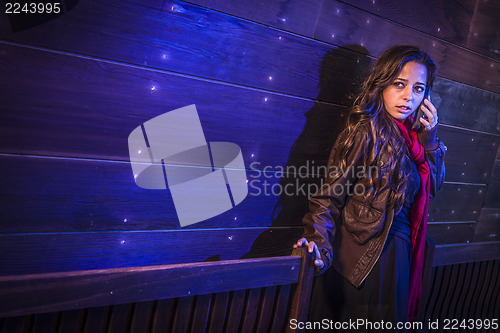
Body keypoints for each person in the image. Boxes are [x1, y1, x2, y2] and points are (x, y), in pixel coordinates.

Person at [293, 45, 446, 332]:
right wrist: (318, 242)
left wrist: (430, 141)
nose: (408, 97)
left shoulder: (414, 139)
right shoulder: (366, 131)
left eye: (418, 89)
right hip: (364, 254)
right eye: (399, 84)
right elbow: (329, 197)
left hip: (397, 254)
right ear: (382, 84)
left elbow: (433, 187)